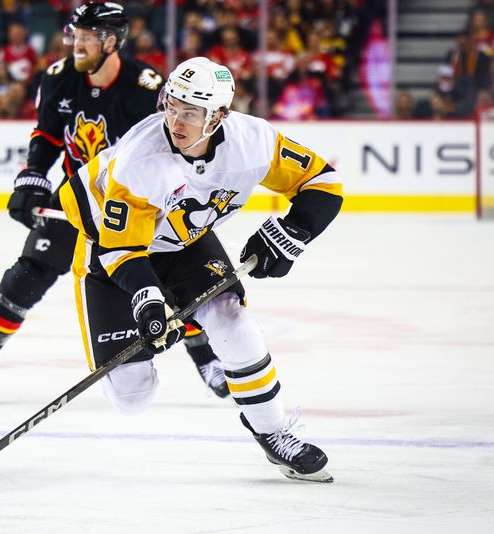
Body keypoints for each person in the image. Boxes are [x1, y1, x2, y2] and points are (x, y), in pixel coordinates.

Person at [58, 57, 342, 482]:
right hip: (110, 248)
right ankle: (176, 324)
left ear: (219, 116)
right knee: (131, 395)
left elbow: (323, 183)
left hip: (185, 242)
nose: (176, 119)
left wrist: (292, 234)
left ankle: (273, 431)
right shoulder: (141, 158)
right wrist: (149, 302)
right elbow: (121, 250)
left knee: (232, 318)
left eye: (190, 111)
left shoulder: (253, 141)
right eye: (171, 105)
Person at [0, 3, 228, 402]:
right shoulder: (59, 78)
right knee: (25, 276)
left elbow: (174, 144)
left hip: (135, 201)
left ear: (111, 41)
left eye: (85, 38)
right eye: (74, 37)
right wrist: (33, 178)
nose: (75, 45)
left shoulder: (145, 87)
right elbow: (47, 136)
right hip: (79, 195)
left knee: (164, 278)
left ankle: (208, 361)